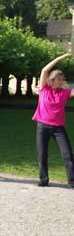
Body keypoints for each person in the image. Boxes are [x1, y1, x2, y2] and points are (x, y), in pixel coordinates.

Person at [32, 52, 74, 187]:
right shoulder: (44, 89)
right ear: (52, 80)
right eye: (59, 79)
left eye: (63, 79)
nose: (62, 82)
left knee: (67, 155)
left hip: (58, 129)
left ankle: (72, 181)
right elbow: (44, 70)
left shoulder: (65, 92)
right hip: (42, 127)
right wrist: (62, 57)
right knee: (42, 155)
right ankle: (44, 180)